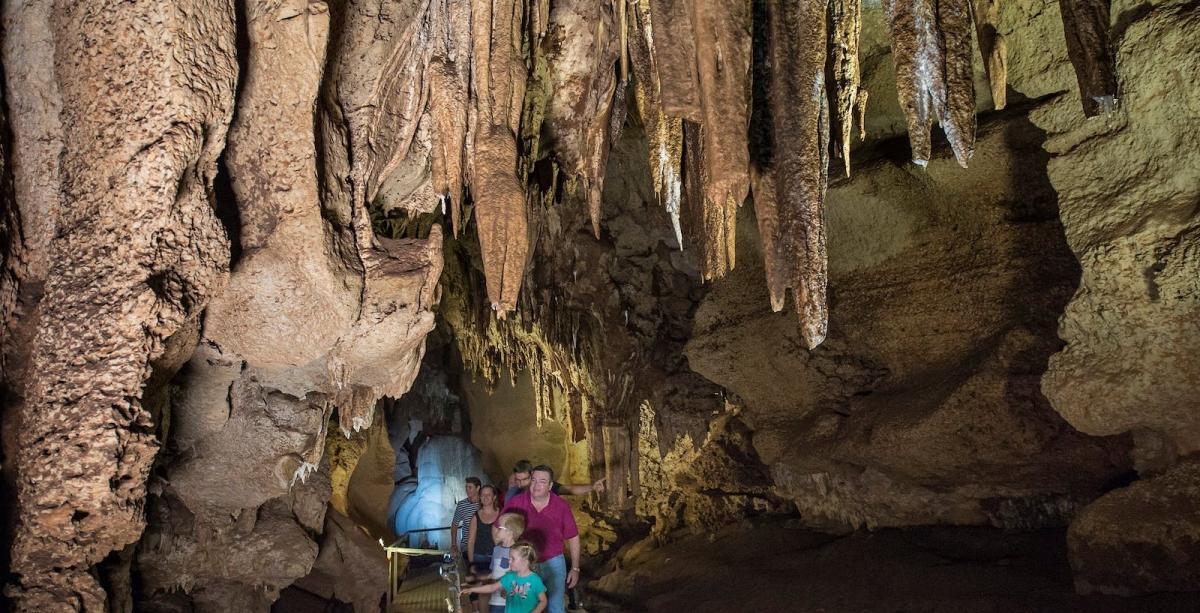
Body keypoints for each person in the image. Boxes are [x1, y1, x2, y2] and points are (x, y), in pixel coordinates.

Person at [501, 465, 580, 613]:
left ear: (550, 485)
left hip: (554, 562)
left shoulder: (561, 506)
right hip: (525, 562)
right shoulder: (517, 502)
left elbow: (573, 537)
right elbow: (500, 527)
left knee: (555, 606)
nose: (536, 485)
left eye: (542, 481)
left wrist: (575, 568)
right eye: (534, 480)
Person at [461, 542, 547, 613]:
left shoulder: (535, 580)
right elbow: (492, 587)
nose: (509, 561)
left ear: (525, 561)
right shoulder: (510, 576)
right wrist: (471, 589)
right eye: (509, 558)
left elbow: (543, 601)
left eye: (513, 559)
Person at [468, 512, 526, 613]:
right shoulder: (496, 549)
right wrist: (482, 578)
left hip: (510, 601)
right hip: (495, 600)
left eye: (499, 528)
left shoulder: (519, 552)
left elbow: (523, 576)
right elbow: (494, 572)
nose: (495, 530)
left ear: (509, 532)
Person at [506, 459, 606, 501]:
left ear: (532, 475)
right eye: (517, 480)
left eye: (524, 480)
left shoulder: (543, 487)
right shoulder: (513, 493)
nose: (520, 484)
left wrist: (592, 486)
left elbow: (568, 489)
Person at [467, 484, 501, 574]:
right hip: (479, 557)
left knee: (496, 586)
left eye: (488, 495)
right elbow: (470, 541)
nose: (485, 497)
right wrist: (471, 563)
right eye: (483, 495)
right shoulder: (475, 517)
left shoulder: (501, 514)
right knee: (481, 585)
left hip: (497, 557)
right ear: (480, 497)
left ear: (494, 497)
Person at [451, 476, 482, 560]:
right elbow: (455, 524)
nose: (467, 490)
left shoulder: (483, 503)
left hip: (482, 546)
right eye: (466, 487)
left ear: (478, 488)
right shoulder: (462, 505)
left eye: (470, 487)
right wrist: (454, 545)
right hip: (466, 545)